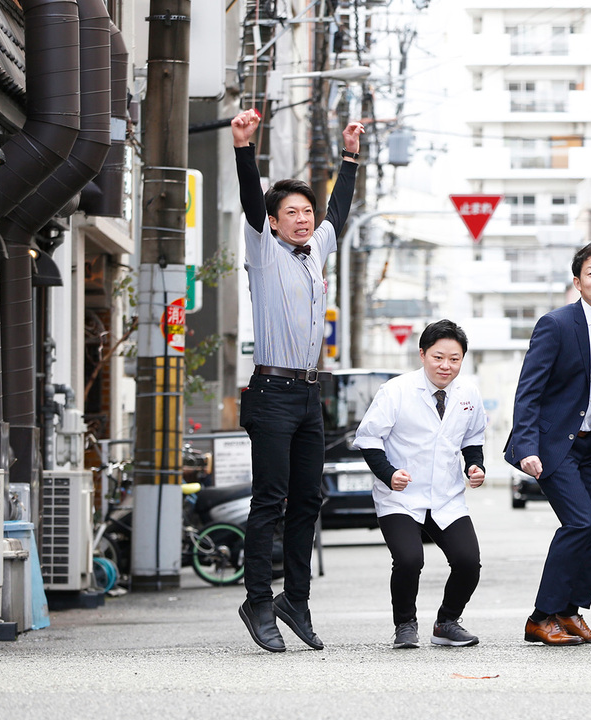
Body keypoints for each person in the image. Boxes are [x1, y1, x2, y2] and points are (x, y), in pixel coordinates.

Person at [232, 108, 364, 653]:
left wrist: (350, 156)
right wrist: (245, 148)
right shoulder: (263, 252)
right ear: (275, 220)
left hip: (310, 393)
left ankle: (297, 601)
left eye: (306, 211)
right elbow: (248, 197)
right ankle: (258, 600)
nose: (304, 218)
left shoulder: (317, 253)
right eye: (292, 212)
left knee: (310, 500)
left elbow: (340, 208)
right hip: (270, 394)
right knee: (270, 501)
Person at [504, 241, 591, 646]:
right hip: (555, 446)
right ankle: (540, 617)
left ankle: (569, 610)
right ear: (578, 282)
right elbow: (528, 391)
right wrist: (527, 446)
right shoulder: (556, 324)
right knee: (581, 522)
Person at [352, 320, 487, 650]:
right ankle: (405, 625)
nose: (446, 366)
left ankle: (447, 623)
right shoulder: (396, 391)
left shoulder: (468, 393)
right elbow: (369, 439)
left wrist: (475, 465)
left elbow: (472, 439)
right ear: (422, 354)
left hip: (445, 496)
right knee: (410, 560)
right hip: (400, 497)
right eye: (438, 357)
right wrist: (389, 474)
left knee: (468, 562)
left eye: (454, 359)